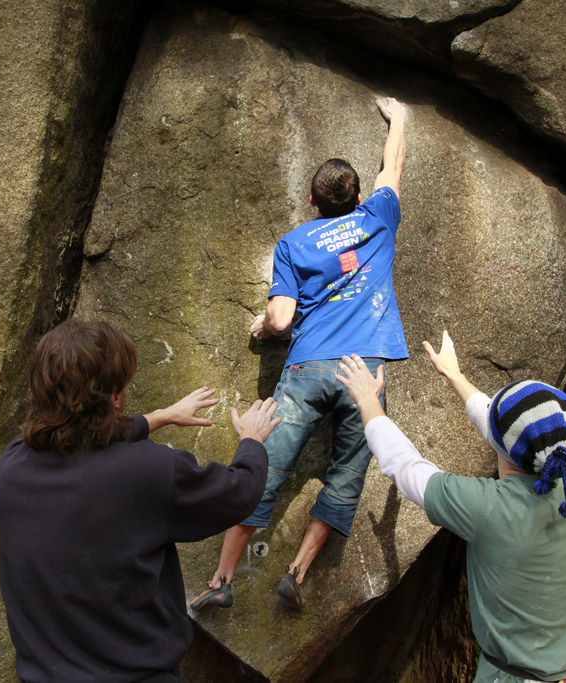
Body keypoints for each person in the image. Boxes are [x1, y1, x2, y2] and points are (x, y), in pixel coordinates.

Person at [191, 96, 408, 612]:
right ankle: (297, 573)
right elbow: (393, 166)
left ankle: (222, 581)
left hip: (310, 366)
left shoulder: (294, 243)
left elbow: (282, 318)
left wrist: (264, 328)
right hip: (366, 373)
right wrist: (399, 118)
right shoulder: (380, 215)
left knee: (262, 466)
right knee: (347, 475)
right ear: (359, 194)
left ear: (312, 201)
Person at [0, 319, 281, 682]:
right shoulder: (148, 471)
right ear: (114, 395)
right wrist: (252, 442)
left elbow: (80, 438)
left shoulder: (13, 466)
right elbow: (238, 491)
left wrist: (158, 418)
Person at [335, 330, 566, 683]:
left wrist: (368, 401)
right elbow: (505, 430)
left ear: (500, 443)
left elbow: (404, 469)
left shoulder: (487, 508)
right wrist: (454, 374)